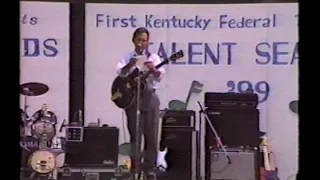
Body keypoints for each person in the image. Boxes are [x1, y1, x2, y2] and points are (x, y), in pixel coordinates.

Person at [115, 27, 165, 179]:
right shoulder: (127, 57)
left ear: (148, 42)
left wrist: (153, 69)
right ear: (133, 40)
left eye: (144, 41)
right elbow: (120, 73)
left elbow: (159, 76)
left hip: (150, 98)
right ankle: (134, 168)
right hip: (133, 100)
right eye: (139, 40)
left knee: (151, 134)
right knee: (134, 135)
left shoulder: (154, 57)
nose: (141, 43)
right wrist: (129, 65)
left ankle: (150, 169)